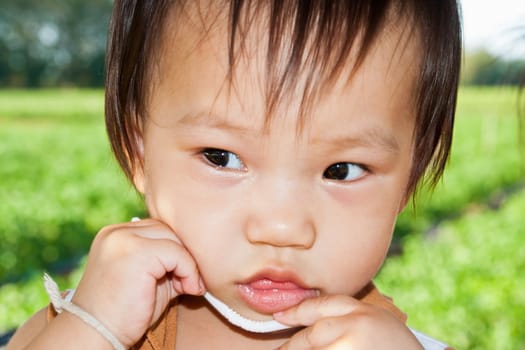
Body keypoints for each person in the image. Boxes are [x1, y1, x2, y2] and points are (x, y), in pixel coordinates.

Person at [7, 0, 461, 349]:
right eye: (221, 157)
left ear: (410, 177)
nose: (281, 228)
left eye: (341, 171)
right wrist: (91, 327)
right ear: (137, 151)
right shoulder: (72, 328)